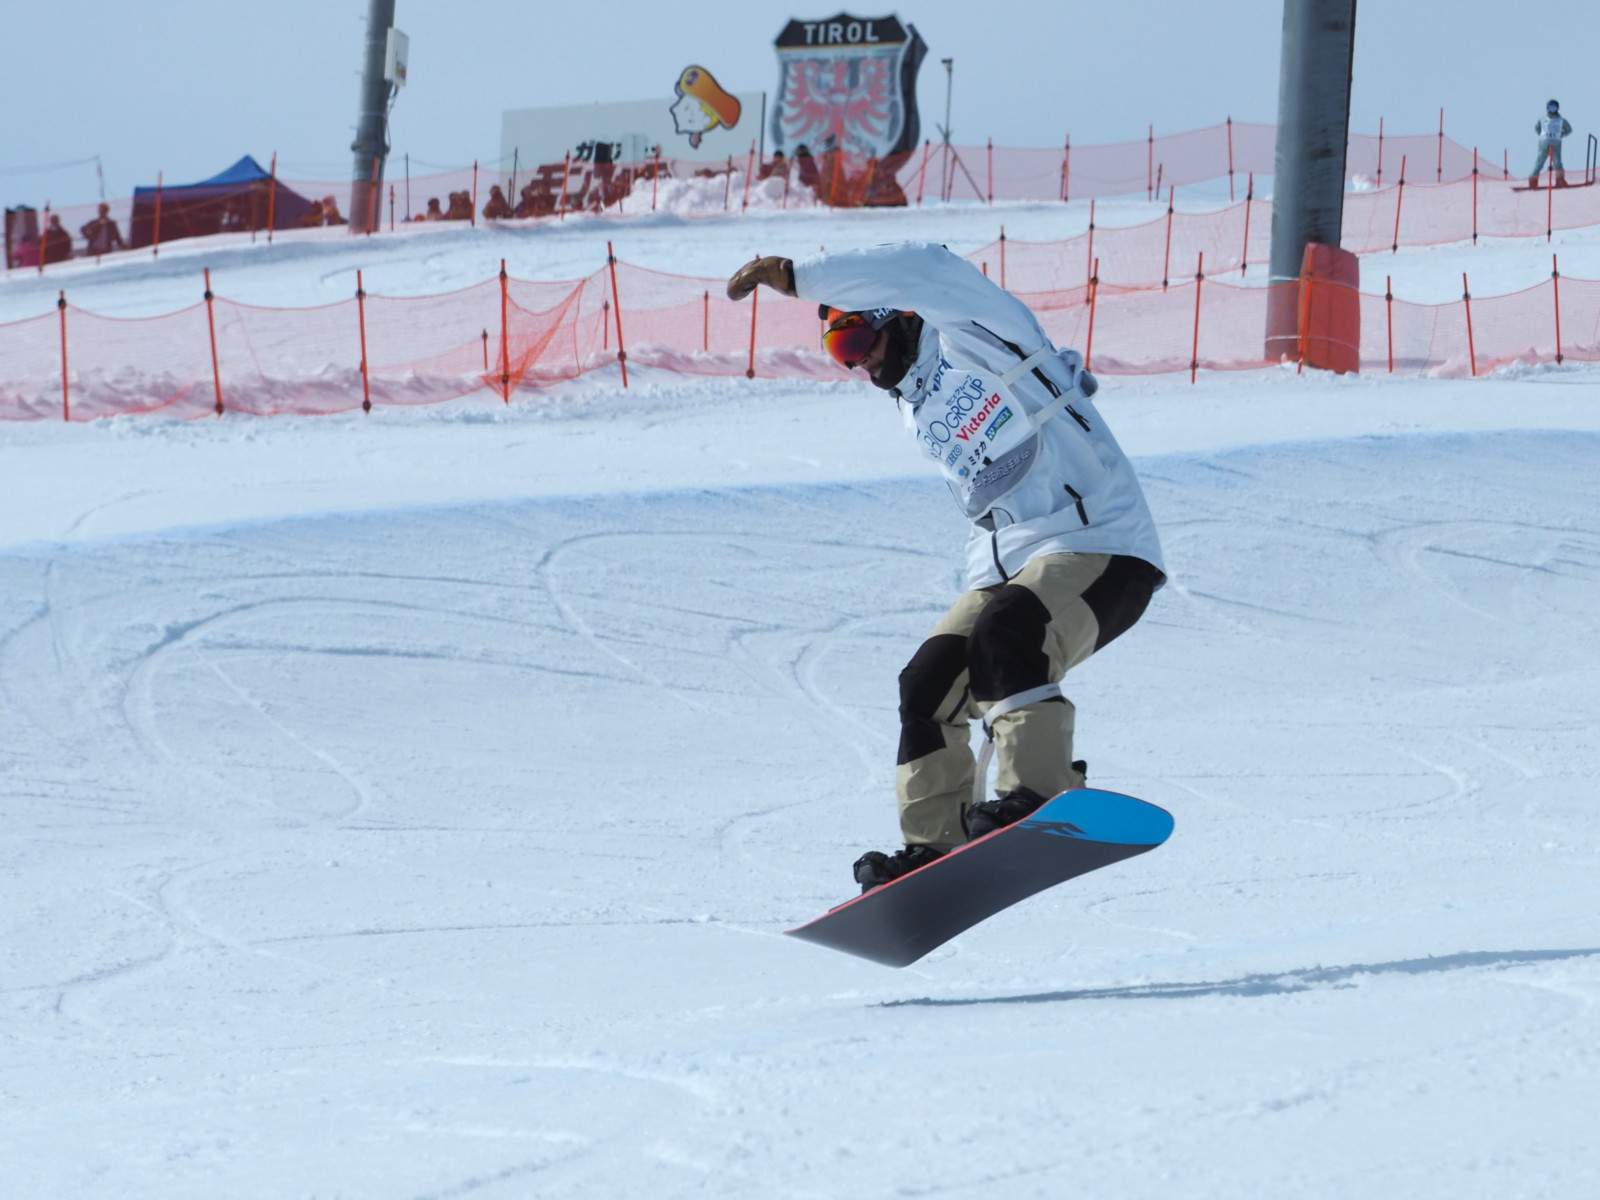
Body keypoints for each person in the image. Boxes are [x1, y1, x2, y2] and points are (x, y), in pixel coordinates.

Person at [727, 245, 1166, 891]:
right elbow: (984, 498)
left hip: (1101, 540)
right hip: (1011, 563)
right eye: (841, 353)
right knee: (928, 683)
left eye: (857, 340)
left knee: (1010, 634)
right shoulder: (913, 401)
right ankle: (936, 844)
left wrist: (802, 278)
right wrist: (984, 579)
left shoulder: (977, 332)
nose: (858, 362)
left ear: (900, 317)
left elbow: (928, 267)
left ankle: (1041, 793)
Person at [1529, 99, 1573, 187]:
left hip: (1556, 143)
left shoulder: (1561, 120)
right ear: (1547, 108)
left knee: (1557, 162)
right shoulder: (1543, 119)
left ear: (1557, 108)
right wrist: (1542, 135)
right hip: (1544, 144)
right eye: (1550, 107)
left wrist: (1561, 134)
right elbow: (1537, 128)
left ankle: (1560, 180)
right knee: (1539, 162)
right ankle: (1533, 180)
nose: (1552, 109)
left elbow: (1569, 129)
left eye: (1554, 107)